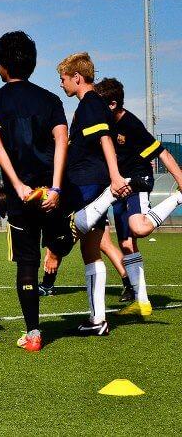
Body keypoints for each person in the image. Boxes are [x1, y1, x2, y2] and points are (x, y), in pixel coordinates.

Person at [0, 31, 70, 351]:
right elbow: (62, 140)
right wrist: (57, 187)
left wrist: (17, 184)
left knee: (26, 263)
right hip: (53, 191)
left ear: (3, 67)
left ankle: (33, 333)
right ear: (32, 63)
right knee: (64, 233)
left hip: (21, 197)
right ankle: (60, 240)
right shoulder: (51, 100)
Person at [88, 77, 182, 315]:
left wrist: (180, 182)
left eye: (99, 104)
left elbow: (163, 154)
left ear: (111, 104)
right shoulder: (104, 124)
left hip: (138, 181)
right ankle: (142, 302)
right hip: (119, 186)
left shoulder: (132, 125)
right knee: (126, 243)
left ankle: (178, 198)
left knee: (137, 228)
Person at [55, 52, 131, 336]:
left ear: (77, 77)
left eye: (63, 78)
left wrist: (114, 177)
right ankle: (97, 320)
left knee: (66, 233)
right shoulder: (89, 105)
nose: (61, 84)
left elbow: (105, 139)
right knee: (90, 250)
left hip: (88, 182)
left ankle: (106, 199)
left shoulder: (90, 104)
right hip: (88, 180)